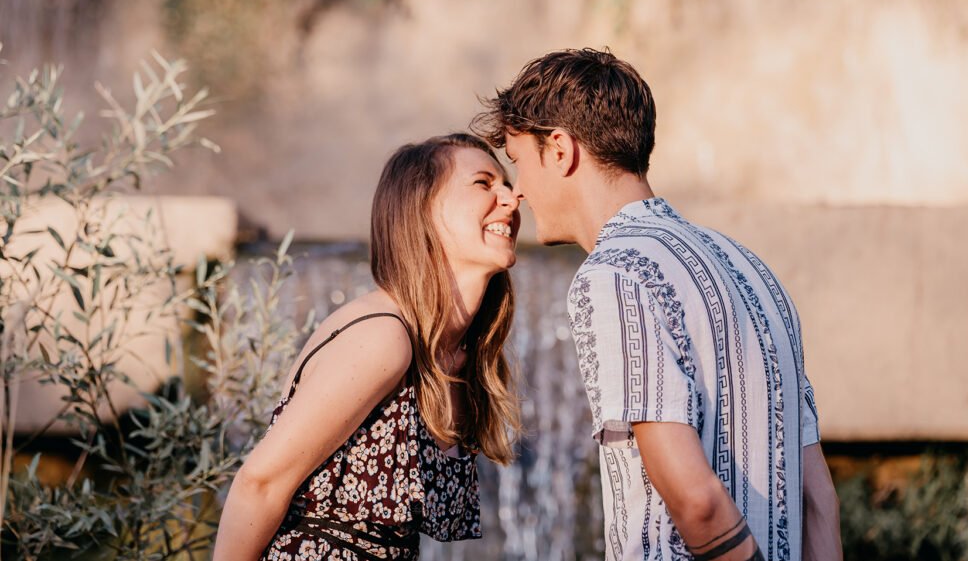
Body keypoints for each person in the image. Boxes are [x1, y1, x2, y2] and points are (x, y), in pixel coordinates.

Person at [472, 49, 842, 561]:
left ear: (560, 149)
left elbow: (695, 500)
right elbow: (817, 497)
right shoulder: (753, 269)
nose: (520, 193)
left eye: (518, 163)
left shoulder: (613, 274)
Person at [213, 133, 522, 560]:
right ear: (423, 209)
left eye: (506, 184)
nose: (511, 198)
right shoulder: (383, 337)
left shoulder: (458, 355)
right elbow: (259, 484)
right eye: (484, 184)